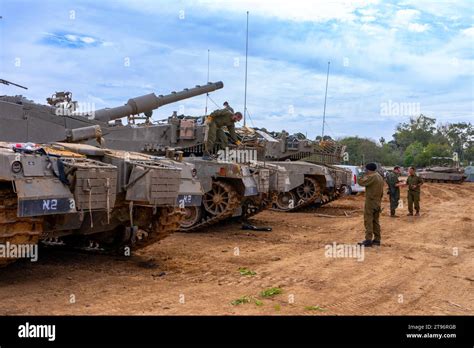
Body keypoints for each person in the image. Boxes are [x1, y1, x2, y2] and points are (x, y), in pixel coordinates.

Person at [357, 163, 384, 247]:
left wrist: (360, 174)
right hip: (377, 201)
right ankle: (377, 239)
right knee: (375, 221)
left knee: (368, 220)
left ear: (368, 169)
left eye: (366, 169)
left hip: (371, 202)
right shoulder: (379, 176)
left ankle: (368, 240)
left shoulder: (373, 177)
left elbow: (361, 182)